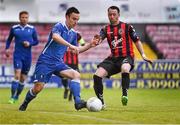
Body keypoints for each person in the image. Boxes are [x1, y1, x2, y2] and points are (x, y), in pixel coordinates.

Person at [19, 7, 99, 111]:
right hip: (45, 61)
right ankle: (25, 103)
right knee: (38, 88)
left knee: (76, 75)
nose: (75, 22)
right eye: (73, 19)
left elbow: (76, 50)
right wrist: (70, 45)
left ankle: (78, 102)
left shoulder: (73, 34)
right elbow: (55, 37)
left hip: (58, 63)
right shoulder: (59, 26)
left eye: (77, 20)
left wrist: (90, 45)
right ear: (67, 17)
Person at [93, 6, 152, 108]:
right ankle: (101, 103)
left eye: (114, 14)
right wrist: (97, 40)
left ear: (118, 15)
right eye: (109, 14)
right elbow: (99, 40)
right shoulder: (105, 29)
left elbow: (137, 41)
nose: (111, 16)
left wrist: (143, 55)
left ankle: (125, 94)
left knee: (125, 68)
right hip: (113, 58)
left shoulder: (127, 27)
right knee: (97, 75)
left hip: (127, 56)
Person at [5, 11, 39, 104]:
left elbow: (36, 41)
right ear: (19, 18)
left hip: (27, 57)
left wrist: (30, 43)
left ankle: (17, 96)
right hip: (18, 55)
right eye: (23, 17)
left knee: (23, 78)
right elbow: (9, 40)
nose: (24, 19)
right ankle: (12, 97)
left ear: (28, 18)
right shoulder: (14, 28)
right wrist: (7, 49)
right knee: (17, 75)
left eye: (26, 17)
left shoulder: (32, 29)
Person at [62, 32, 85, 101]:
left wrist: (78, 48)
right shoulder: (63, 34)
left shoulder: (77, 35)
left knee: (75, 78)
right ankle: (66, 88)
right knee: (64, 78)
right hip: (65, 61)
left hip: (75, 62)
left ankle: (71, 95)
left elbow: (83, 44)